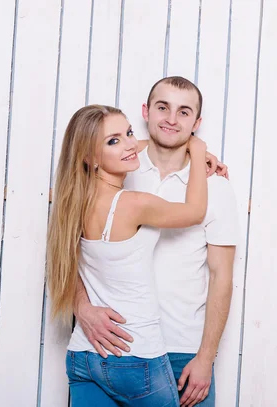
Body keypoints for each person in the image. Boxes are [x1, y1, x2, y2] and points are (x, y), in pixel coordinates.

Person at [74, 76, 238, 407]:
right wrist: (82, 307)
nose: (172, 120)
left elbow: (223, 277)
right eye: (163, 108)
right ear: (146, 112)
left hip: (184, 351)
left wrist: (205, 357)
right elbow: (71, 250)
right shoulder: (121, 168)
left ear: (197, 122)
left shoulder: (214, 187)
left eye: (184, 112)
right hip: (113, 345)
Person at [46, 104, 211, 406]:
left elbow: (65, 266)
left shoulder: (74, 203)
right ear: (89, 157)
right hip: (135, 355)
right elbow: (195, 211)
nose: (130, 143)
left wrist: (175, 145)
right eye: (114, 140)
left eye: (130, 133)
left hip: (84, 355)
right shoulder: (134, 204)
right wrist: (198, 152)